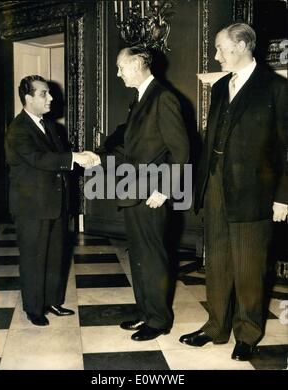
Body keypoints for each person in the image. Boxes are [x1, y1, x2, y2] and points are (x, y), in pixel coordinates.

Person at [179, 23, 288, 361]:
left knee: (249, 268)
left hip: (255, 194)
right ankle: (216, 327)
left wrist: (284, 196)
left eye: (221, 49)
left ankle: (248, 333)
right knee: (218, 264)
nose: (215, 56)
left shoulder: (276, 88)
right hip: (215, 187)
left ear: (242, 46)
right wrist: (202, 186)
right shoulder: (222, 85)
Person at [96, 46, 190, 341]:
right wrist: (98, 158)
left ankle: (160, 320)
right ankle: (145, 312)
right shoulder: (140, 98)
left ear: (137, 65)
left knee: (152, 257)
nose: (118, 73)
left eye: (121, 67)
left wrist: (165, 189)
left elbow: (181, 150)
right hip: (135, 191)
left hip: (153, 194)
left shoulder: (163, 98)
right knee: (139, 256)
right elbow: (132, 146)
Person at [5, 75, 99, 326]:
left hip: (54, 203)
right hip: (32, 206)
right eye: (44, 93)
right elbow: (39, 159)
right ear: (28, 98)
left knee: (55, 254)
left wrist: (82, 156)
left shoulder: (49, 126)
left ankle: (52, 302)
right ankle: (34, 309)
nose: (51, 98)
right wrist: (74, 158)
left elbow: (58, 157)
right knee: (34, 257)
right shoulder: (18, 129)